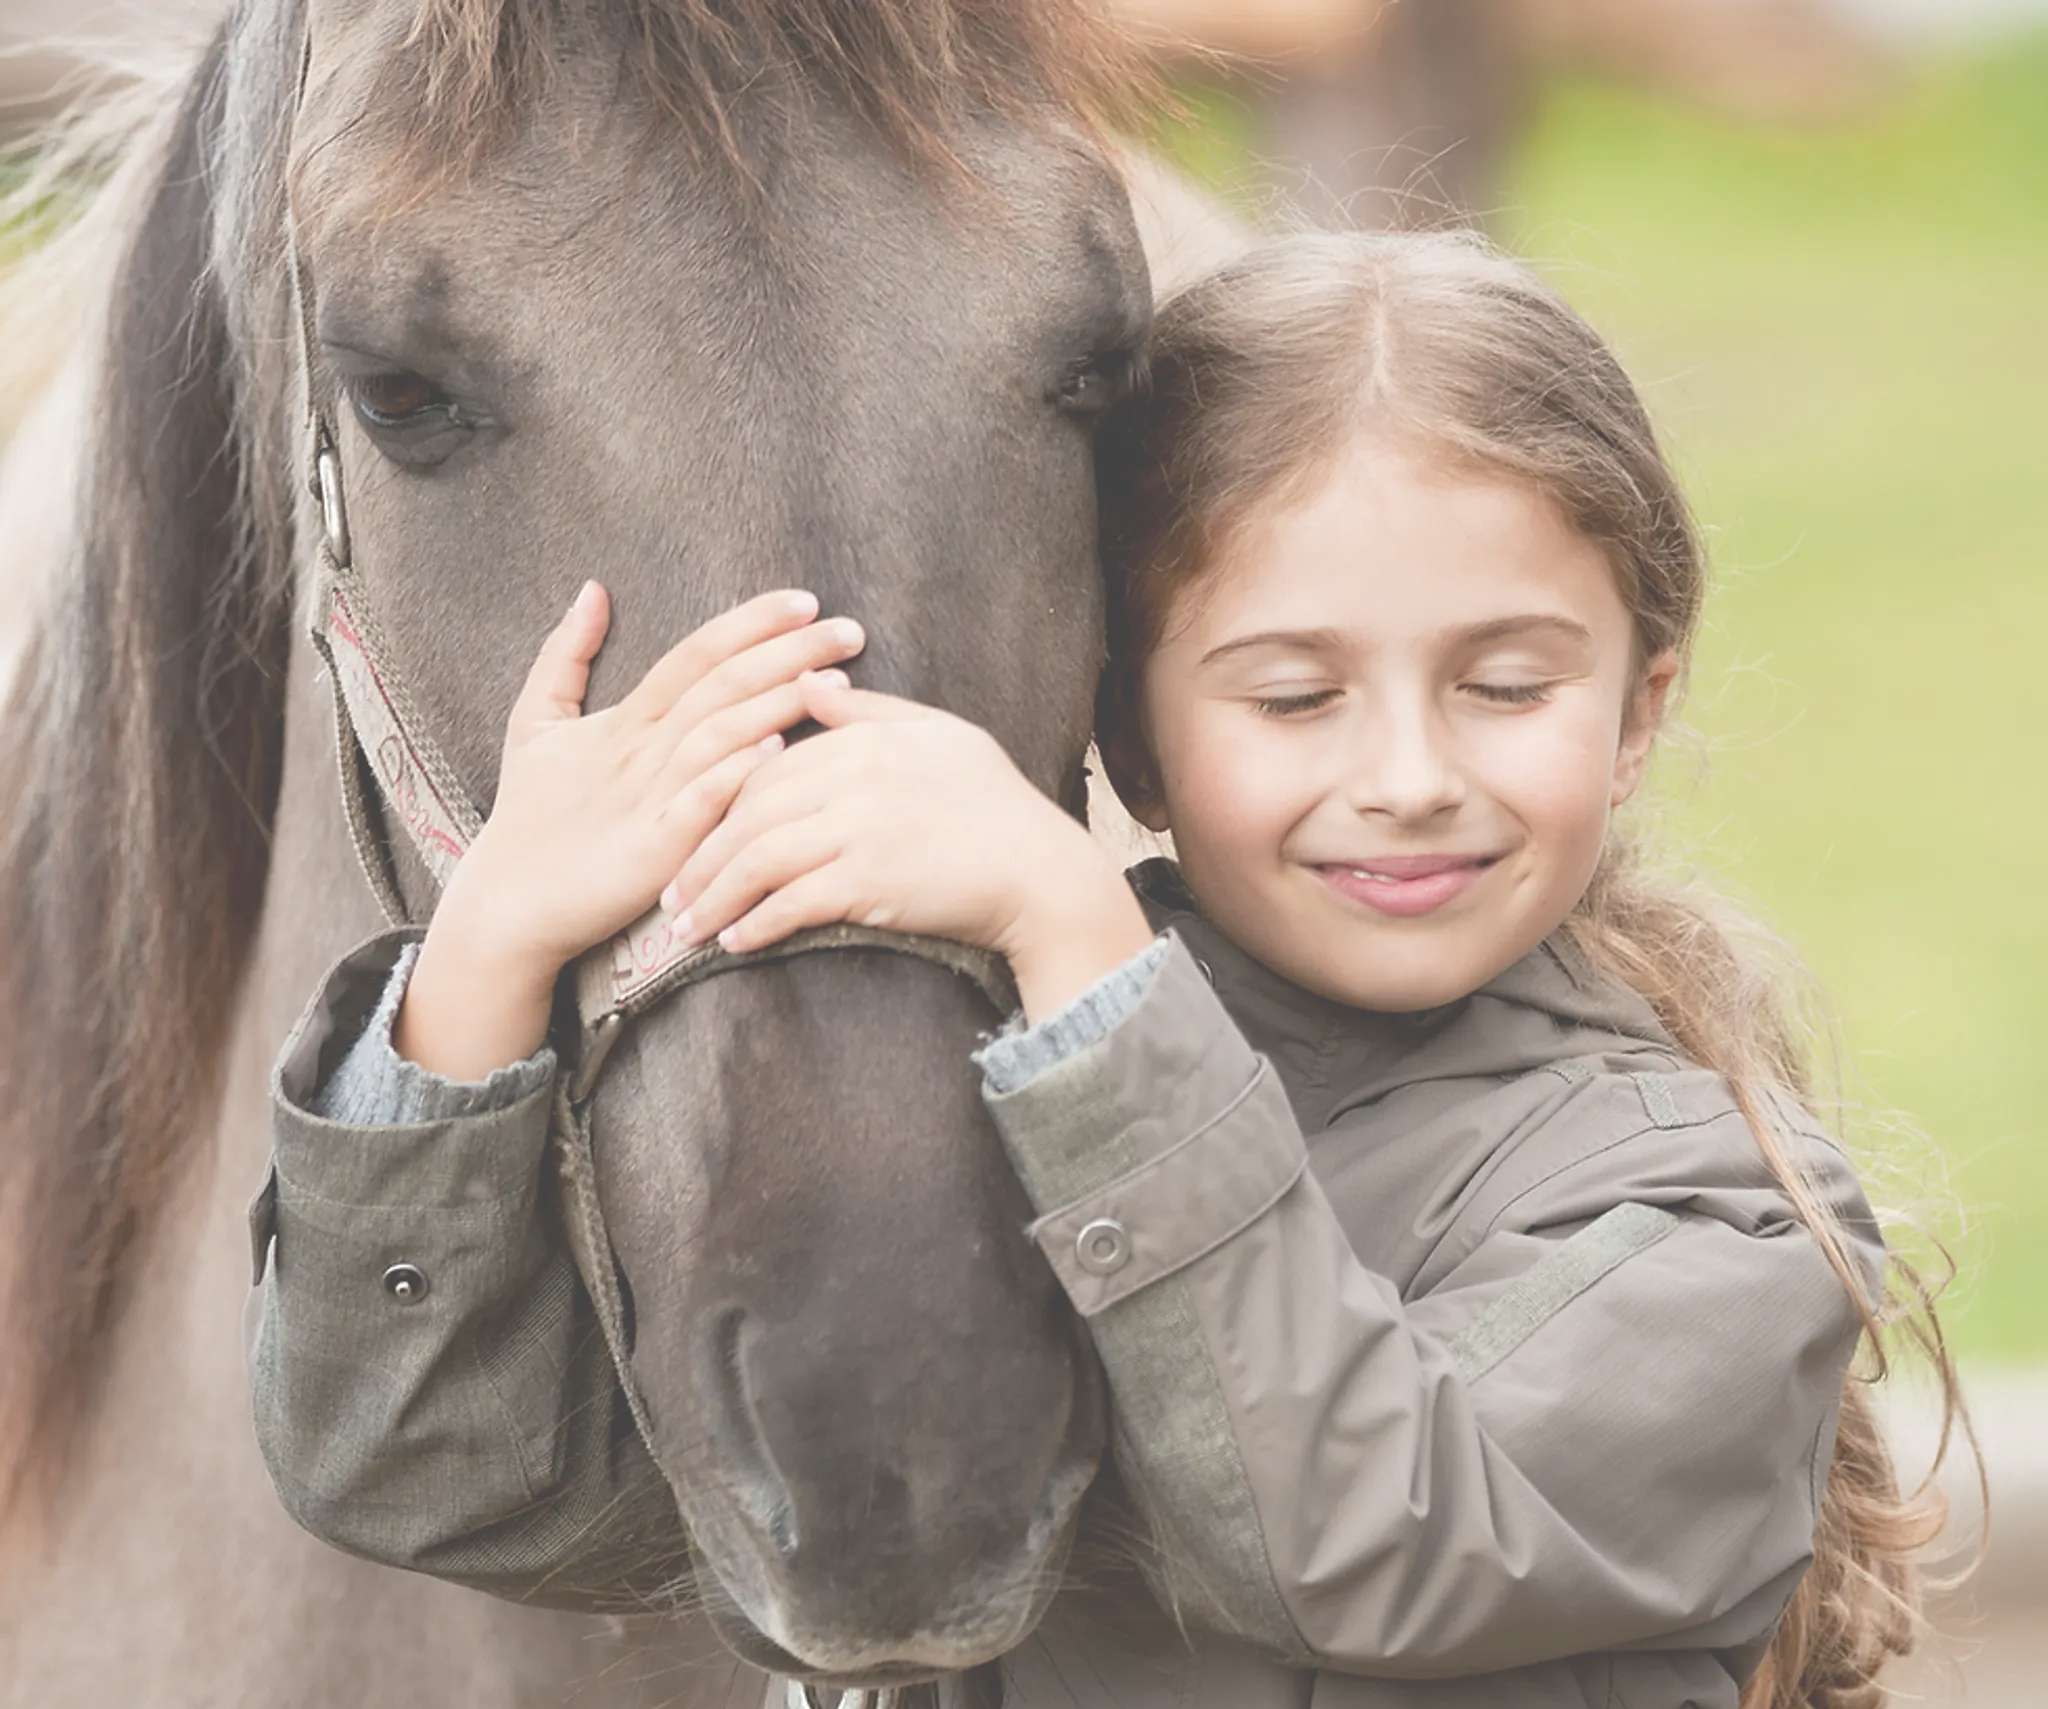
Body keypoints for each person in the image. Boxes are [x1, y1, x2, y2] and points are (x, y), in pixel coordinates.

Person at [250, 230, 1962, 1708]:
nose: (1411, 774)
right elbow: (443, 1480)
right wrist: (487, 955)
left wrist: (1082, 948)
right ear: (1126, 739)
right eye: (1295, 698)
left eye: (1506, 684)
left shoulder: (1716, 1225)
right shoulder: (962, 1113)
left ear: (1637, 715)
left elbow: (1380, 1537)